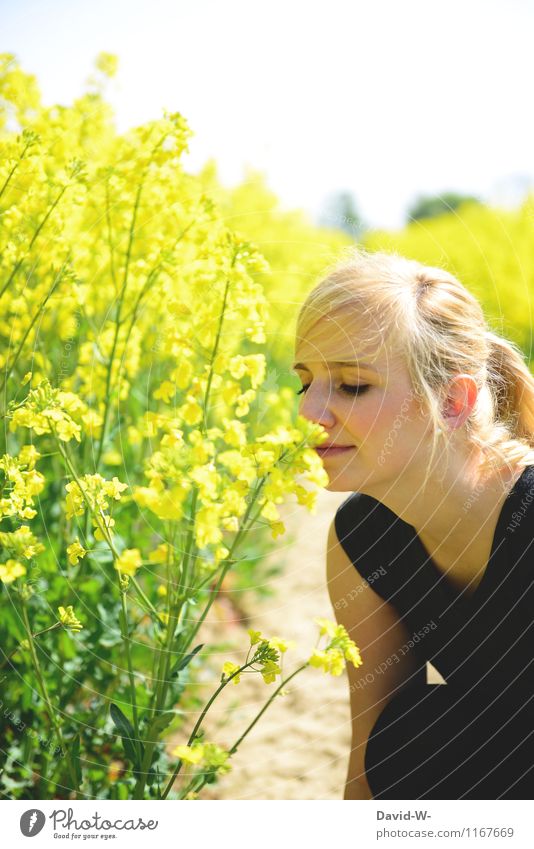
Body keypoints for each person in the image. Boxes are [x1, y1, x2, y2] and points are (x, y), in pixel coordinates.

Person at [292, 247, 534, 800]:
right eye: (305, 381)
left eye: (353, 385)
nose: (308, 413)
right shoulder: (362, 540)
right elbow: (368, 764)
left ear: (452, 400)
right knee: (408, 740)